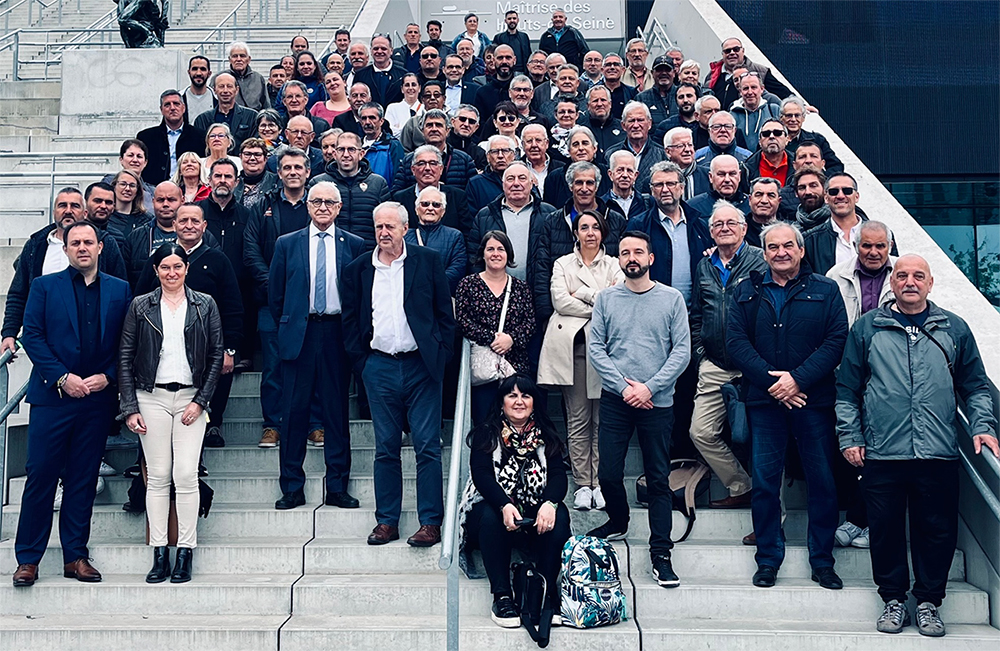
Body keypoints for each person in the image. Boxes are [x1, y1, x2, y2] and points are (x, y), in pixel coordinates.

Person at [836, 254, 998, 637]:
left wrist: (983, 426)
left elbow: (974, 386)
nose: (910, 281)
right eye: (902, 275)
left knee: (937, 532)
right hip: (882, 452)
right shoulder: (867, 328)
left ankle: (928, 602)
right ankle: (893, 600)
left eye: (918, 276)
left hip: (937, 452)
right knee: (886, 530)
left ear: (930, 283)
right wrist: (850, 436)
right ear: (891, 282)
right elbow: (846, 389)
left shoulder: (953, 329)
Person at [726, 222, 847, 591]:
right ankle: (767, 559)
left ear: (801, 250)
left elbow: (836, 339)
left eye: (789, 246)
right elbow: (735, 342)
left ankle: (823, 562)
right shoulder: (745, 291)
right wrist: (775, 383)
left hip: (812, 401)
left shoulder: (826, 290)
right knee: (764, 483)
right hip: (765, 403)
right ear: (764, 253)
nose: (781, 252)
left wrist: (798, 380)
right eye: (773, 247)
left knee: (822, 482)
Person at [12, 221, 131, 588]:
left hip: (96, 400)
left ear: (99, 248)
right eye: (74, 242)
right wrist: (63, 377)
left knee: (82, 478)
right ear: (65, 249)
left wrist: (108, 376)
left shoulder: (120, 289)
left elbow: (127, 341)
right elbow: (31, 333)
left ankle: (75, 556)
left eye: (88, 242)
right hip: (53, 398)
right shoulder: (44, 286)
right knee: (41, 476)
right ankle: (28, 559)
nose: (82, 247)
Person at [343, 201, 456, 548]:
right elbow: (351, 322)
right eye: (379, 227)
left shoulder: (428, 261)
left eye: (391, 226)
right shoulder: (358, 269)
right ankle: (387, 521)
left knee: (427, 448)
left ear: (406, 228)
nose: (384, 233)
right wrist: (363, 364)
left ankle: (430, 522)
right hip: (379, 367)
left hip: (421, 367)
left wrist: (438, 355)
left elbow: (443, 316)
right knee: (385, 448)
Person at [587, 230, 690, 589]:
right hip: (618, 400)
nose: (632, 257)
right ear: (619, 259)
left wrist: (649, 387)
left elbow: (682, 352)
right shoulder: (606, 299)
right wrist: (624, 387)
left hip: (657, 402)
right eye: (625, 252)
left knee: (658, 480)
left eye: (638, 252)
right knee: (609, 475)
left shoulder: (672, 299)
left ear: (651, 259)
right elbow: (596, 347)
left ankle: (661, 553)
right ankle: (618, 521)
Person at [119, 243, 224, 584]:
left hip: (191, 398)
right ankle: (159, 551)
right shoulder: (141, 306)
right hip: (152, 397)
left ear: (187, 268)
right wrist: (130, 407)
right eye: (165, 267)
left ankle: (185, 551)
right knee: (159, 475)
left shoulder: (204, 304)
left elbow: (215, 356)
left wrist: (201, 401)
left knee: (185, 474)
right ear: (156, 271)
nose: (172, 272)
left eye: (178, 266)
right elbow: (125, 356)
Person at [268, 182, 366, 510]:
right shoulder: (287, 244)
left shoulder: (353, 244)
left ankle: (337, 486)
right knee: (293, 413)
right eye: (317, 202)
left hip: (337, 334)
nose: (323, 207)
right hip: (301, 333)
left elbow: (358, 296)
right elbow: (276, 295)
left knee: (336, 413)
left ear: (339, 208)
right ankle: (292, 486)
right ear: (308, 206)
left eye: (329, 202)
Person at [459, 375, 570, 627]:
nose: (519, 401)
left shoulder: (546, 435)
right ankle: (502, 596)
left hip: (532, 516)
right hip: (494, 512)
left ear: (533, 403)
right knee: (489, 514)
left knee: (560, 514)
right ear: (501, 403)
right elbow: (482, 477)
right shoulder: (487, 433)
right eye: (512, 395)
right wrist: (504, 504)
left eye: (525, 396)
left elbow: (558, 477)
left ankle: (544, 592)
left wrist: (550, 503)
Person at [134, 203, 243, 449]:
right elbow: (139, 301)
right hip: (164, 349)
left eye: (195, 221)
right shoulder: (158, 259)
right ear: (174, 225)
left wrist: (230, 349)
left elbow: (233, 307)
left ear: (204, 226)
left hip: (208, 348)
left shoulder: (218, 260)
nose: (189, 225)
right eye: (183, 221)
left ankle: (212, 427)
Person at [538, 210, 623, 510]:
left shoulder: (615, 263)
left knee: (602, 421)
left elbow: (618, 302)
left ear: (603, 232)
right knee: (577, 419)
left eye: (595, 227)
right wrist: (599, 300)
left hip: (606, 349)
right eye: (583, 227)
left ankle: (598, 482)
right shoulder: (563, 263)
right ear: (575, 233)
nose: (589, 233)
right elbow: (559, 300)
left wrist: (584, 293)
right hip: (572, 347)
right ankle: (582, 484)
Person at [689, 202, 767, 510]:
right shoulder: (704, 265)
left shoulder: (760, 262)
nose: (724, 228)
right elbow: (697, 314)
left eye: (731, 223)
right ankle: (741, 485)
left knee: (763, 441)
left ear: (744, 228)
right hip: (715, 365)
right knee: (701, 432)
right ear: (710, 231)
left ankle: (769, 515)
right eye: (718, 224)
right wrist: (700, 355)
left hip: (754, 368)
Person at [244, 147, 313, 448]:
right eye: (287, 167)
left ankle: (315, 424)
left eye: (299, 167)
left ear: (307, 172)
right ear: (279, 172)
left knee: (313, 366)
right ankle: (272, 425)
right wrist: (274, 286)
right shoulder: (263, 205)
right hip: (271, 303)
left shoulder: (318, 204)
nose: (293, 172)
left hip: (312, 302)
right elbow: (251, 251)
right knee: (273, 367)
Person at [456, 230, 536, 424]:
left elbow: (530, 322)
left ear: (508, 254)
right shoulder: (468, 284)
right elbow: (462, 319)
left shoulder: (521, 288)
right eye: (490, 249)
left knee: (515, 424)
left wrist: (511, 339)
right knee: (485, 423)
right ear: (482, 253)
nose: (495, 254)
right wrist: (491, 338)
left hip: (515, 367)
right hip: (483, 369)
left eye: (501, 249)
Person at [310, 131, 391, 249]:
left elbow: (386, 221)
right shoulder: (319, 183)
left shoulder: (378, 184)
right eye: (341, 150)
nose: (346, 154)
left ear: (361, 153)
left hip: (368, 252)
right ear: (334, 154)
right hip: (332, 251)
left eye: (351, 149)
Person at [404, 186, 467, 293]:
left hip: (441, 296)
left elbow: (457, 267)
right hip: (410, 296)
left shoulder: (454, 236)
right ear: (416, 209)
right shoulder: (404, 236)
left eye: (436, 205)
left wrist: (433, 284)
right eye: (425, 204)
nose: (430, 208)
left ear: (443, 211)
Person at [804, 172, 869, 275]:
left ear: (856, 197)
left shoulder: (881, 235)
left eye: (847, 191)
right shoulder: (810, 240)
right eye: (834, 192)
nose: (840, 196)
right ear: (826, 198)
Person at [136, 89, 206, 185]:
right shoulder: (145, 137)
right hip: (153, 189)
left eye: (176, 104)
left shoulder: (200, 136)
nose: (172, 108)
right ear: (161, 110)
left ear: (184, 108)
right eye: (167, 105)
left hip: (188, 189)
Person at [706, 38, 790, 110]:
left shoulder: (761, 71)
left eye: (736, 49)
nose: (732, 53)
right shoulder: (712, 75)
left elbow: (785, 94)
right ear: (722, 54)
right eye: (727, 51)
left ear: (743, 51)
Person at [605, 101, 667, 194]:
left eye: (640, 120)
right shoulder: (611, 154)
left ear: (649, 124)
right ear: (623, 125)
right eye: (631, 121)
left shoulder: (661, 154)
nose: (636, 125)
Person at [193, 73, 258, 150]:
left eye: (229, 86)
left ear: (236, 90)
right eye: (221, 86)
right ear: (214, 90)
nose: (225, 90)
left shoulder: (251, 116)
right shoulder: (202, 119)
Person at [780, 97, 843, 174]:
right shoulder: (772, 139)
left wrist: (821, 180)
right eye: (789, 115)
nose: (793, 119)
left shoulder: (817, 140)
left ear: (803, 118)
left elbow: (836, 166)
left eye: (797, 115)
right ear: (781, 118)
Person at [731, 72, 781, 151]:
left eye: (754, 87)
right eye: (746, 88)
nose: (750, 92)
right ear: (740, 91)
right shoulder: (732, 115)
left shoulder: (774, 110)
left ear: (762, 89)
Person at [353, 35, 408, 108]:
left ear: (391, 51)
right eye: (376, 48)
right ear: (371, 51)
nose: (379, 51)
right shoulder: (360, 75)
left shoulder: (403, 74)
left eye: (383, 48)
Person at [602, 150, 653, 221]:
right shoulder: (602, 204)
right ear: (610, 174)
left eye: (629, 170)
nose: (625, 175)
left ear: (635, 175)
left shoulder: (647, 203)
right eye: (620, 170)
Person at [663, 126, 710, 201]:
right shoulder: (657, 179)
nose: (687, 150)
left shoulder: (709, 176)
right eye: (681, 146)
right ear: (668, 152)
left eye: (690, 145)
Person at [223, 41, 270, 111]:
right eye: (235, 56)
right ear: (230, 60)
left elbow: (266, 106)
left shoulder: (258, 78)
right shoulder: (221, 78)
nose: (238, 59)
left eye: (242, 56)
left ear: (249, 59)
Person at [235, 137, 279, 208]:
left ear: (265, 158)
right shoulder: (233, 183)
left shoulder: (276, 182)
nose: (252, 158)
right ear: (240, 157)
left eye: (257, 154)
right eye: (247, 154)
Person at [109, 169, 152, 241]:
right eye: (123, 184)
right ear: (114, 187)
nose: (127, 189)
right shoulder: (105, 217)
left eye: (132, 185)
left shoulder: (146, 220)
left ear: (137, 191)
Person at [744, 119, 790, 186]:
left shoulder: (798, 165)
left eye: (777, 133)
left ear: (787, 139)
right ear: (759, 141)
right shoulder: (746, 169)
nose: (771, 137)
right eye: (766, 134)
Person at [635, 55, 677, 124]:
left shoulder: (683, 96)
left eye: (667, 70)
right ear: (652, 73)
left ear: (674, 73)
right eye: (659, 70)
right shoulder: (641, 98)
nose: (663, 73)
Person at [183, 56, 215, 122]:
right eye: (195, 69)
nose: (198, 73)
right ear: (189, 72)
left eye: (203, 69)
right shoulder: (179, 99)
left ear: (209, 73)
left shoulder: (217, 100)